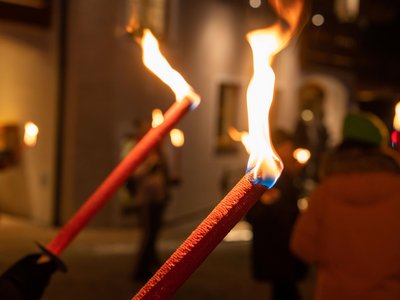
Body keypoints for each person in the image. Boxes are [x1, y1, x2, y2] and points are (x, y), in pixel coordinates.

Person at [290, 111, 400, 300]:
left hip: (335, 292)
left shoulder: (325, 193)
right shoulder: (396, 190)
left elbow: (302, 246)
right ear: (381, 150)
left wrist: (337, 261)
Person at [246, 129, 308, 300]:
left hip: (286, 245)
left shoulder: (286, 174)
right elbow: (254, 216)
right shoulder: (265, 180)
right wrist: (268, 202)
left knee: (284, 290)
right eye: (287, 146)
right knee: (285, 290)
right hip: (275, 247)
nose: (291, 150)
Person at [122, 119, 173, 282]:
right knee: (148, 233)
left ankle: (153, 265)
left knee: (153, 233)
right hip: (145, 199)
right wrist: (149, 166)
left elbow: (164, 174)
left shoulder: (159, 152)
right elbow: (134, 175)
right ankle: (140, 269)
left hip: (157, 197)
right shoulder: (139, 151)